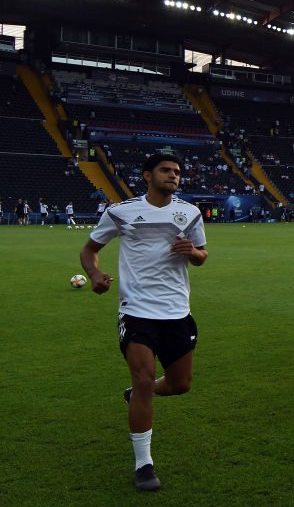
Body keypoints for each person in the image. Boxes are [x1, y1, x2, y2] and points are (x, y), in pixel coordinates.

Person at [79, 153, 208, 492]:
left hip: (177, 311)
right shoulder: (120, 212)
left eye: (178, 172)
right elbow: (89, 249)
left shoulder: (190, 213)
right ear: (147, 175)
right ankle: (143, 465)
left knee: (181, 384)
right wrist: (94, 274)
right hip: (136, 311)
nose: (174, 176)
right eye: (166, 170)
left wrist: (192, 252)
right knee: (143, 378)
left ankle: (136, 393)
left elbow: (202, 256)